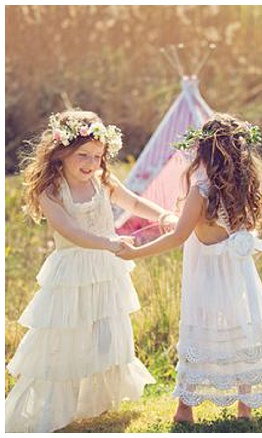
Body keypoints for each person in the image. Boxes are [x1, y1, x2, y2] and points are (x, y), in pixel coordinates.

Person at [5, 109, 178, 432]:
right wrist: (108, 242)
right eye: (82, 155)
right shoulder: (51, 190)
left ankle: (96, 402)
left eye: (97, 157)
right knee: (65, 338)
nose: (90, 163)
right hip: (71, 272)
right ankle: (55, 408)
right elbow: (69, 230)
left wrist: (164, 216)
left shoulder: (103, 180)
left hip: (105, 268)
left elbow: (135, 203)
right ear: (61, 154)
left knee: (106, 333)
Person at [117, 113, 262, 423]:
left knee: (198, 331)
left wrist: (135, 253)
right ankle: (244, 407)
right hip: (238, 275)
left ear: (203, 151)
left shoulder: (202, 190)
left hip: (206, 276)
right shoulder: (245, 190)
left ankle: (185, 407)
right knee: (241, 331)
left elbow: (178, 236)